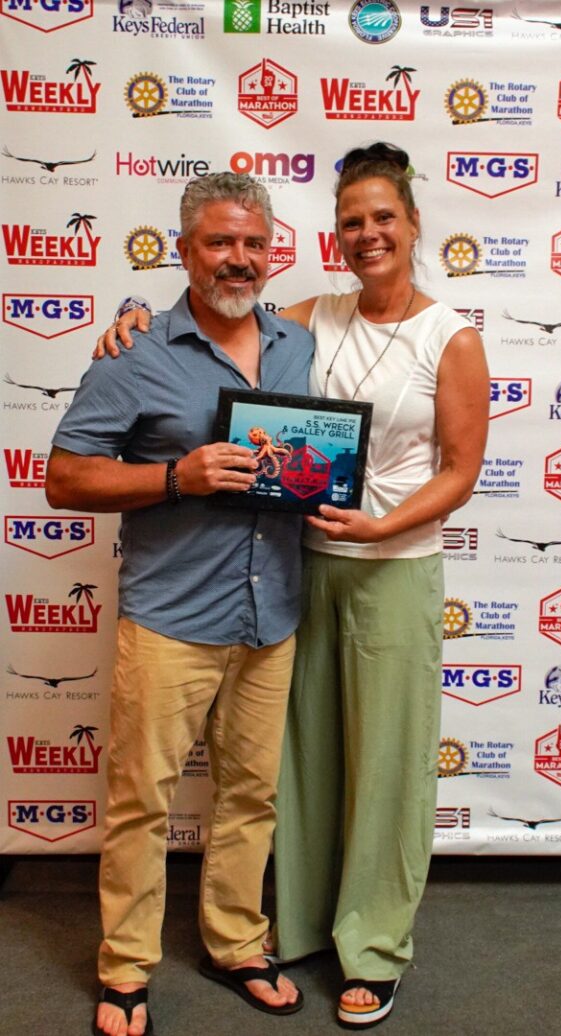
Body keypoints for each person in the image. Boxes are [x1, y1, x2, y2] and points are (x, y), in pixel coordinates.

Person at [98, 142, 491, 1029]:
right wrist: (128, 323)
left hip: (392, 570)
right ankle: (300, 929)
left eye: (383, 217)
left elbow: (462, 470)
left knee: (383, 771)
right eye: (352, 221)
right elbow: (218, 319)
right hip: (301, 575)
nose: (367, 233)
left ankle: (376, 947)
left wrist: (382, 525)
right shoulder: (311, 321)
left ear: (414, 223)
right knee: (295, 775)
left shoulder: (449, 335)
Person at [51, 172, 313, 1036]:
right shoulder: (134, 352)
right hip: (170, 618)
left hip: (272, 611)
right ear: (184, 250)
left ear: (273, 254)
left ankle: (237, 942)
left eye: (253, 243)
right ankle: (125, 969)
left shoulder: (297, 343)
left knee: (250, 795)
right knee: (141, 803)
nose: (238, 259)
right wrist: (175, 476)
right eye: (218, 242)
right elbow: (64, 478)